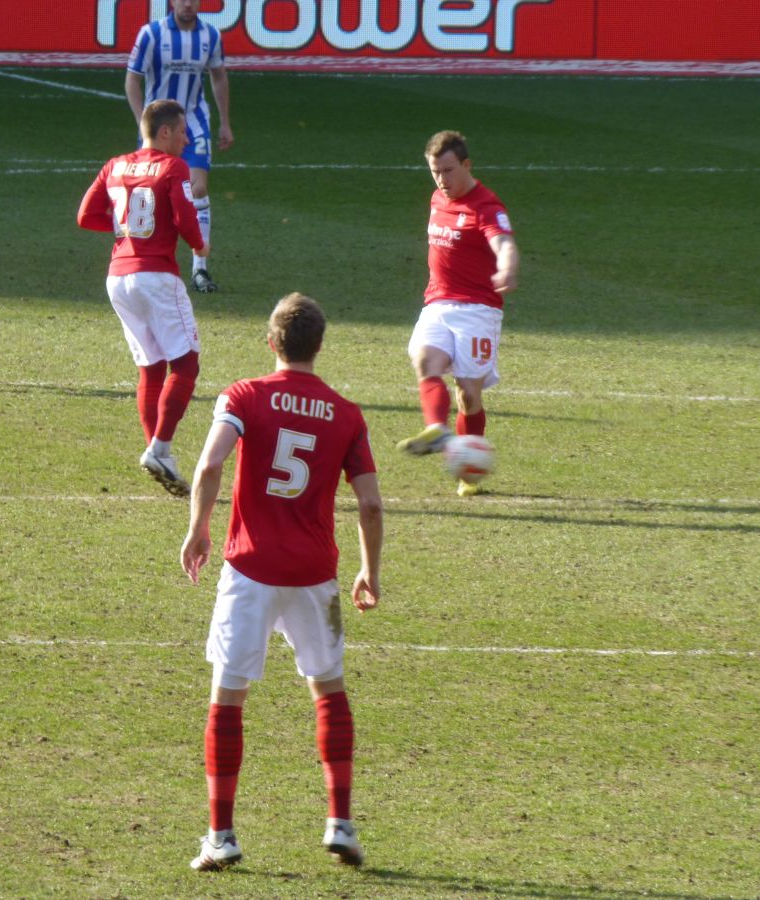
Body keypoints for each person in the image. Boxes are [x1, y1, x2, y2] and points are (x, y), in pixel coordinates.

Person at [180, 293, 383, 871]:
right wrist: (370, 568)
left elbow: (212, 463)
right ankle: (340, 822)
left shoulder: (243, 395)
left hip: (251, 569)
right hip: (316, 577)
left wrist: (198, 528)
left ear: (271, 342)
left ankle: (222, 836)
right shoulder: (346, 413)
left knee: (228, 696)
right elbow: (369, 502)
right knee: (330, 688)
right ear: (319, 347)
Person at [77, 99, 210, 497]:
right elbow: (186, 217)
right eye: (182, 131)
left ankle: (159, 453)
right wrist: (199, 247)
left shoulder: (115, 164)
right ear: (164, 131)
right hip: (155, 276)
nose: (186, 139)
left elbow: (85, 215)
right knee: (185, 365)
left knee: (151, 368)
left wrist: (127, 233)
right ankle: (160, 448)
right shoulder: (173, 167)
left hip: (118, 278)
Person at [396, 130, 519, 497]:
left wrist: (508, 267)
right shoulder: (438, 197)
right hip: (437, 302)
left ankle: (469, 467)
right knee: (424, 360)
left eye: (448, 171)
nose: (441, 180)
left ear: (467, 165)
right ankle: (436, 429)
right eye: (435, 171)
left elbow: (505, 243)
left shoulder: (487, 206)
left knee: (468, 393)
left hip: (479, 310)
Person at [125, 0, 232, 295]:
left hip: (194, 123)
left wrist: (224, 123)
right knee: (150, 193)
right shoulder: (151, 34)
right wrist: (141, 122)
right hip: (158, 125)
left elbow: (219, 76)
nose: (187, 3)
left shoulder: (210, 35)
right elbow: (132, 79)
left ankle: (199, 268)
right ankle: (142, 264)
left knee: (197, 189)